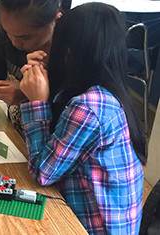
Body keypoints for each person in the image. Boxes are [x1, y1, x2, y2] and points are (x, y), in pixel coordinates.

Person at [19, 3, 146, 234]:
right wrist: (50, 76)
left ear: (68, 50)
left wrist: (37, 103)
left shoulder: (90, 106)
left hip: (85, 227)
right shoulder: (106, 90)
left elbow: (42, 172)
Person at [0, 0, 65, 136]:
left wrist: (27, 97)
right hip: (12, 132)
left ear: (56, 20)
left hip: (41, 146)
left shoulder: (71, 57)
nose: (15, 42)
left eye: (25, 37)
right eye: (7, 32)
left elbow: (67, 126)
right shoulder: (13, 34)